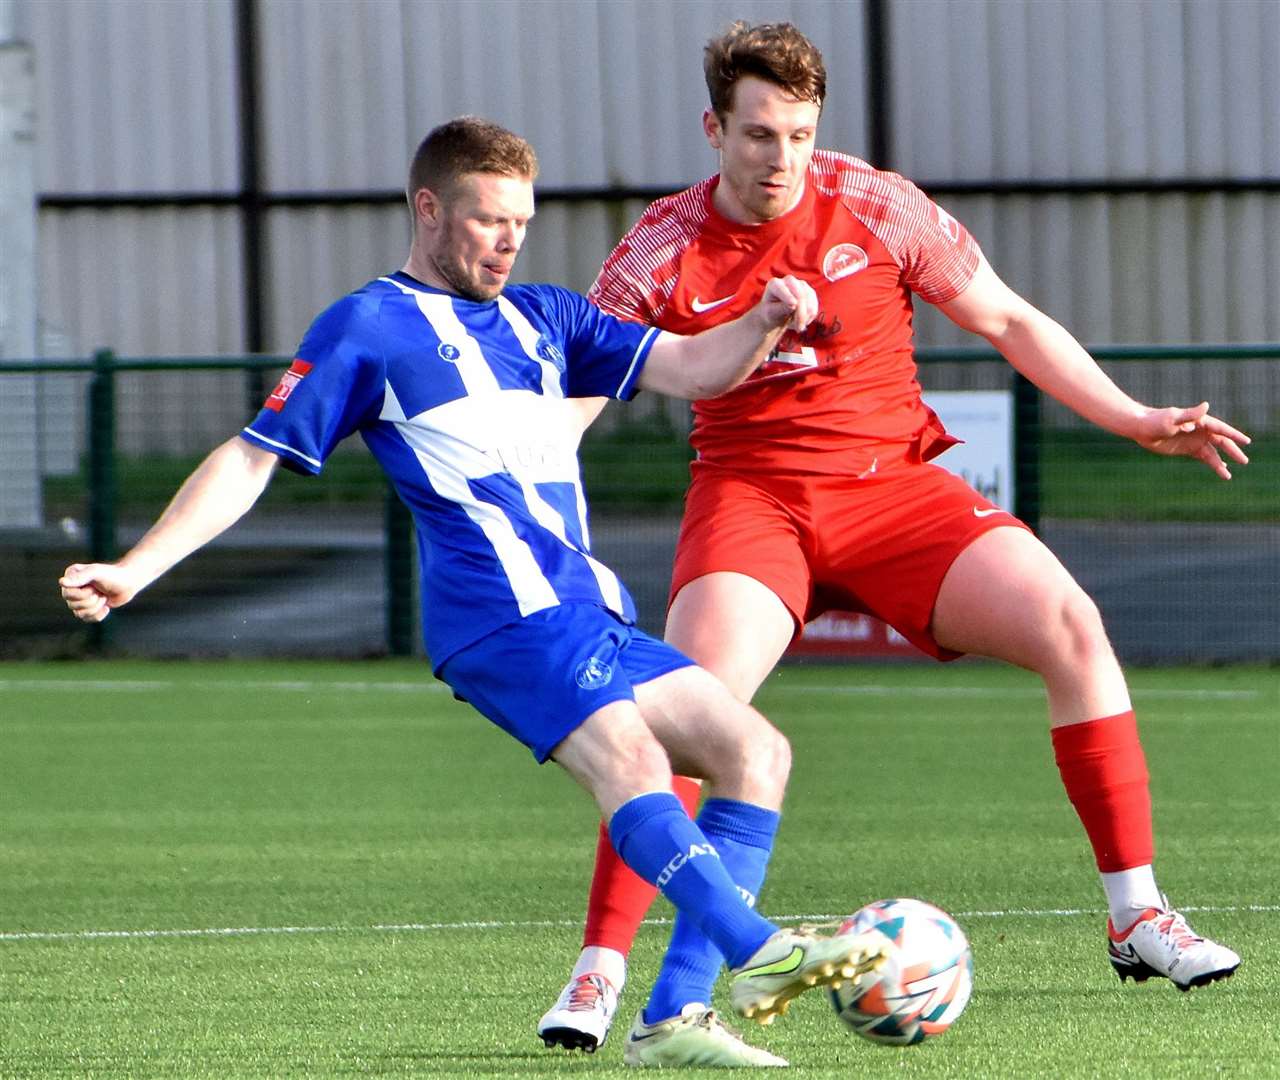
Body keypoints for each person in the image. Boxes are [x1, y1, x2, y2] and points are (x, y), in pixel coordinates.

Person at [58, 116, 887, 1067]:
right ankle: (763, 952)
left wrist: (762, 321)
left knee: (755, 753)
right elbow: (252, 459)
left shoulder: (548, 316)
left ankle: (674, 1017)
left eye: (521, 223)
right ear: (429, 209)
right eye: (489, 220)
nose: (508, 240)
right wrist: (135, 567)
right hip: (500, 615)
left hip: (586, 612)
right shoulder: (368, 327)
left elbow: (693, 368)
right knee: (632, 765)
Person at [538, 20, 1246, 1061]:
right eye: (757, 134)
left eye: (798, 133)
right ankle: (600, 970)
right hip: (751, 500)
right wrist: (528, 510)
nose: (780, 157)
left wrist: (1133, 417)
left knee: (1070, 625)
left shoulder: (875, 203)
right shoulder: (659, 247)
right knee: (685, 712)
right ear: (712, 130)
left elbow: (1005, 320)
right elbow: (578, 399)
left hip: (891, 492)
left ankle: (1136, 917)